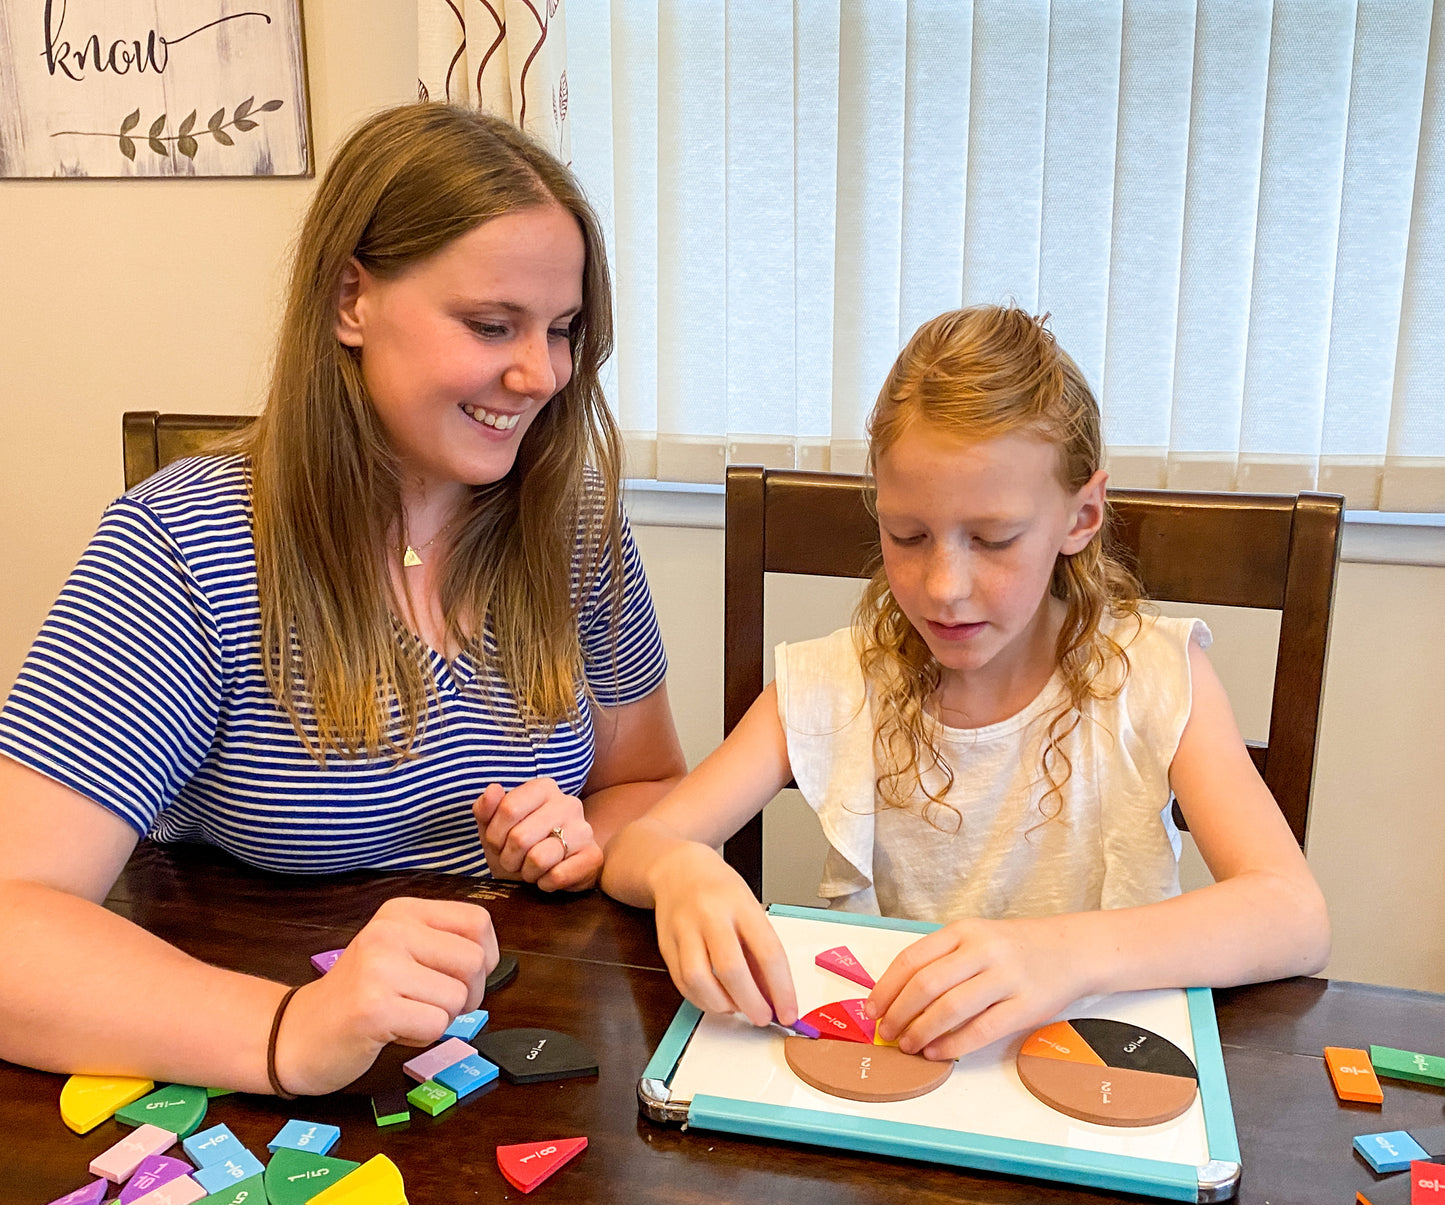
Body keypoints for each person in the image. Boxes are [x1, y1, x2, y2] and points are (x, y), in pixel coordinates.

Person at [0, 103, 686, 1095]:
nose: (540, 374)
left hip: (525, 1059)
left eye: (563, 330)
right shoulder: (181, 547)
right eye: (491, 325)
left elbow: (647, 786)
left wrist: (580, 841)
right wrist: (295, 1029)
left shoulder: (573, 525)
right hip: (252, 1063)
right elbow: (15, 918)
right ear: (349, 300)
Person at [602, 305, 1329, 1062]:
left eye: (992, 539)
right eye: (907, 536)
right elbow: (637, 846)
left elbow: (1294, 915)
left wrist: (1063, 953)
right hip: (898, 1077)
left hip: (1096, 1073)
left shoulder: (1154, 675)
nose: (944, 586)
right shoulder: (834, 682)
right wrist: (681, 868)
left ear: (1082, 515)